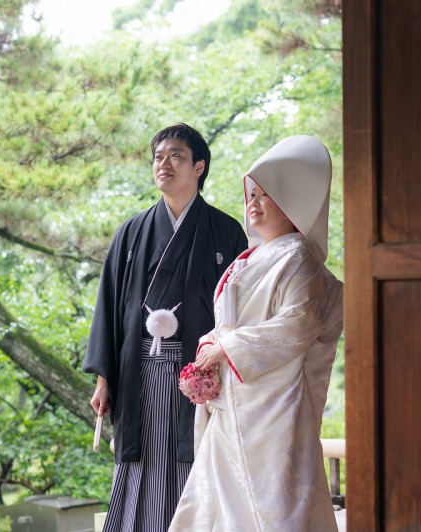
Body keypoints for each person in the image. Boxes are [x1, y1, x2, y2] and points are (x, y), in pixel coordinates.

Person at [168, 135, 344, 531]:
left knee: (276, 502)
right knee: (218, 496)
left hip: (272, 404)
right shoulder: (253, 256)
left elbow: (298, 324)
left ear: (293, 202)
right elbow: (231, 322)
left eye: (267, 195)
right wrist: (211, 345)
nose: (254, 201)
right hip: (235, 398)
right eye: (252, 193)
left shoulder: (298, 257)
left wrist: (226, 347)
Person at [83, 123, 248, 531]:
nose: (164, 164)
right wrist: (104, 379)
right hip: (138, 371)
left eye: (176, 155)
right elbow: (108, 308)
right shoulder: (131, 233)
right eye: (159, 156)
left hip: (201, 373)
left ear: (199, 167)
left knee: (199, 461)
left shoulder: (226, 232)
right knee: (141, 462)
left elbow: (241, 311)